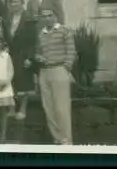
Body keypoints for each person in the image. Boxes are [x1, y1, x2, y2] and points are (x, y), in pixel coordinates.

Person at [35, 9, 76, 145]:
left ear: (56, 16)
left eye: (50, 15)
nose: (47, 18)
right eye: (44, 16)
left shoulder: (65, 31)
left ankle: (66, 140)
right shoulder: (41, 33)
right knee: (49, 108)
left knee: (62, 108)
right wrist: (39, 57)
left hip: (59, 69)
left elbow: (71, 51)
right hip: (44, 72)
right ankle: (57, 139)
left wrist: (66, 68)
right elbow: (36, 52)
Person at [4, 0, 38, 125]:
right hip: (11, 55)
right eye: (12, 2)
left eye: (17, 1)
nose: (14, 4)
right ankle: (12, 108)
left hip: (23, 55)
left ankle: (23, 109)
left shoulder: (28, 19)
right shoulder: (8, 18)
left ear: (22, 3)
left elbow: (33, 41)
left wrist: (30, 57)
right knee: (11, 82)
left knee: (24, 82)